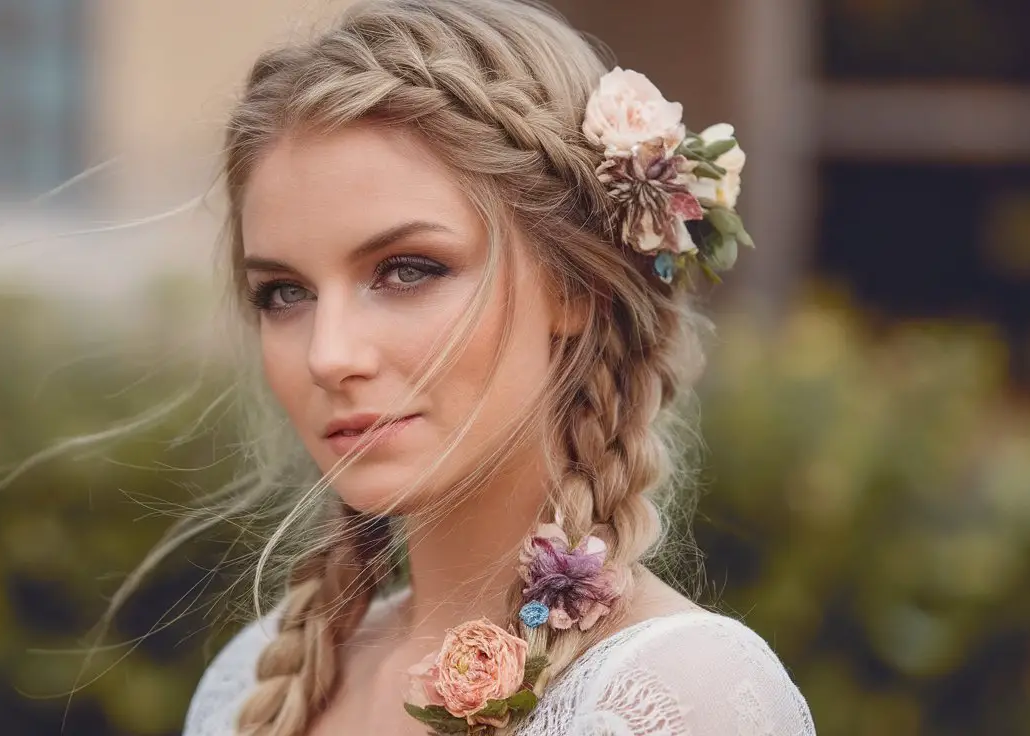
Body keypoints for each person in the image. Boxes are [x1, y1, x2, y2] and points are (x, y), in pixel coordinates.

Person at [176, 0, 815, 733]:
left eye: (407, 269)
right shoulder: (243, 690)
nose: (329, 355)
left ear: (577, 286)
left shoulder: (673, 699)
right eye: (284, 293)